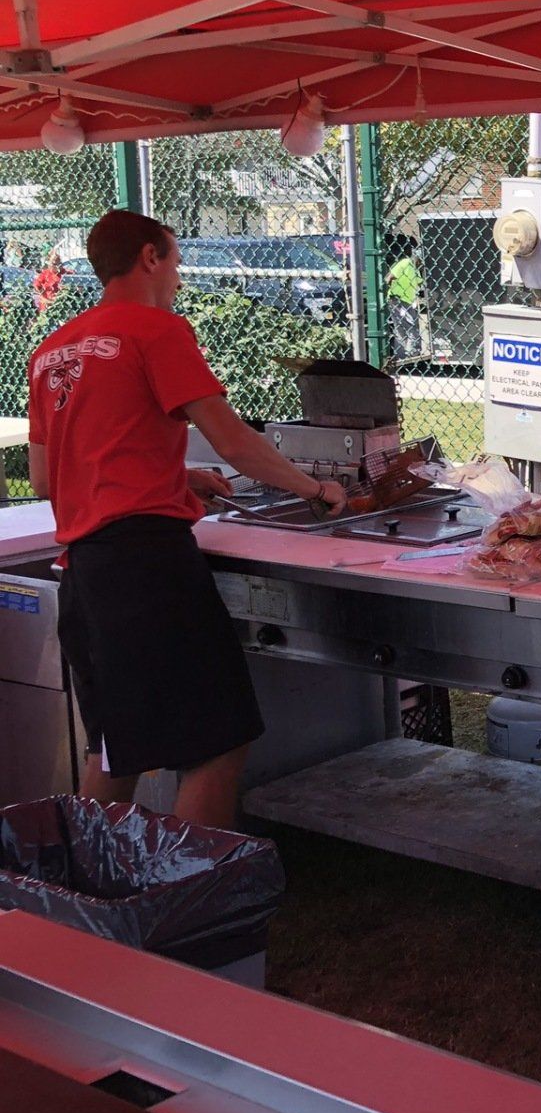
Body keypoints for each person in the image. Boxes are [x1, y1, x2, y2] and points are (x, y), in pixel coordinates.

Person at [26, 209, 347, 828]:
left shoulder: (52, 350)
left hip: (85, 572)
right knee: (217, 742)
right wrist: (317, 487)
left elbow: (49, 477)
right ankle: (194, 896)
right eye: (174, 261)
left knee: (116, 746)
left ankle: (86, 892)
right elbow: (234, 442)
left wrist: (175, 477)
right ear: (149, 257)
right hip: (147, 568)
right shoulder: (157, 331)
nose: (177, 277)